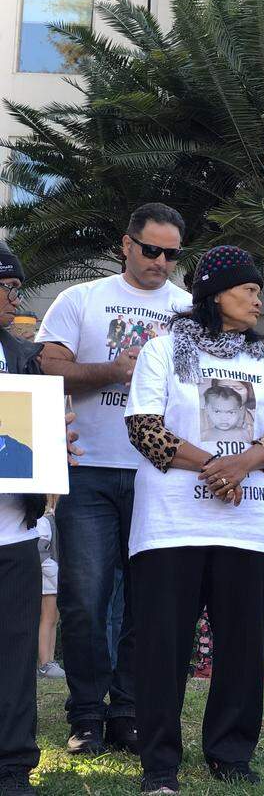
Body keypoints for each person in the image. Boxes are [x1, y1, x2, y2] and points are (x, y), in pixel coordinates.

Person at [124, 245, 264, 793]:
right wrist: (214, 466)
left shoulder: (260, 359)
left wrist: (243, 463)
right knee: (163, 647)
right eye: (249, 288)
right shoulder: (164, 349)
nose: (257, 299)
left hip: (248, 525)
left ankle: (230, 753)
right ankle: (160, 764)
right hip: (172, 524)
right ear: (216, 292)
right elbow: (144, 429)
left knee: (243, 646)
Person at [37, 202, 190, 755]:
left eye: (171, 254)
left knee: (147, 602)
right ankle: (85, 714)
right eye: (151, 250)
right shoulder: (82, 298)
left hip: (160, 474)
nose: (161, 262)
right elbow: (47, 367)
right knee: (84, 597)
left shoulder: (189, 310)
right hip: (90, 469)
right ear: (126, 244)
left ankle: (127, 710)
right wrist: (115, 369)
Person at [0, 241, 81, 796]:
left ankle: (12, 767)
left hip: (15, 533)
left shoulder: (20, 354)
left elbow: (34, 432)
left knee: (14, 653)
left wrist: (56, 446)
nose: (16, 298)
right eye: (8, 286)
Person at [36, 510, 65, 680]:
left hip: (54, 579)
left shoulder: (53, 519)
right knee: (47, 618)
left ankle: (50, 661)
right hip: (48, 579)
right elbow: (41, 551)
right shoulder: (45, 520)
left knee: (53, 618)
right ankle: (44, 663)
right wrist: (55, 573)